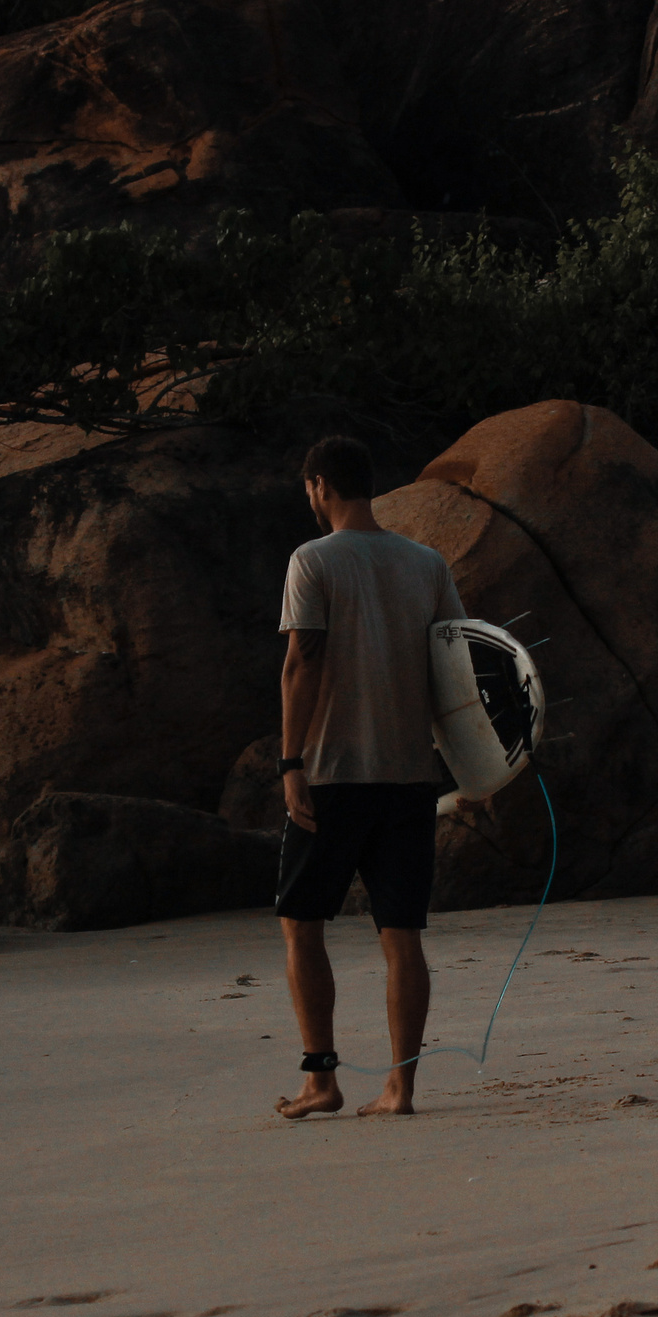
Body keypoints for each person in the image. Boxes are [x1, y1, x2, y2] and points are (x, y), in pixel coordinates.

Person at [272, 435, 467, 1119]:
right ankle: (401, 1087)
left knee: (302, 922)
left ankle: (321, 1077)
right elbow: (458, 669)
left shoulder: (312, 560)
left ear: (319, 485)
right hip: (411, 775)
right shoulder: (427, 563)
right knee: (402, 934)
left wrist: (291, 763)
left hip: (331, 773)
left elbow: (302, 662)